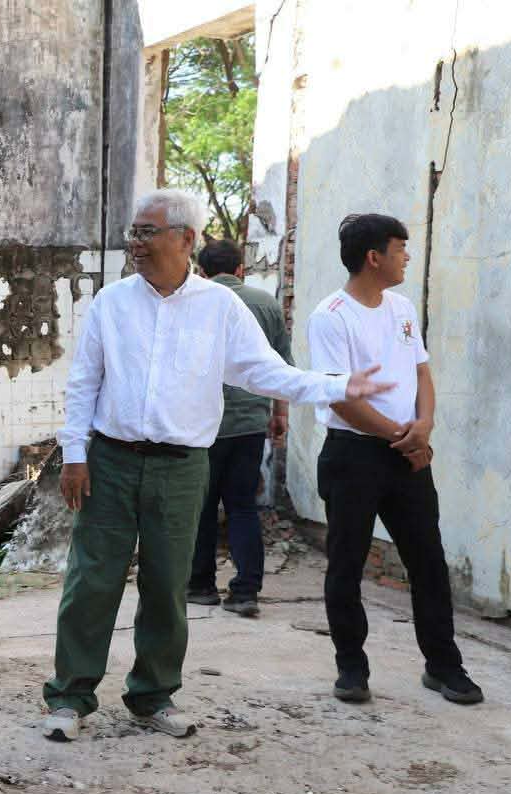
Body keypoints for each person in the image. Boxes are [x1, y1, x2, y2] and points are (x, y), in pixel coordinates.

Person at [40, 189, 394, 743]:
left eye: (147, 232)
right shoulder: (112, 303)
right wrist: (75, 455)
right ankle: (69, 697)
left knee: (168, 585)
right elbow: (84, 382)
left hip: (181, 467)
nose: (135, 243)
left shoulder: (220, 307)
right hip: (111, 461)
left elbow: (265, 372)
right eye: (133, 232)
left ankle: (152, 696)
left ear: (186, 239)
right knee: (91, 582)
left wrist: (337, 385)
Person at [307, 213, 483, 705]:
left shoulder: (401, 307)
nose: (407, 256)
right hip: (353, 455)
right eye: (400, 248)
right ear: (373, 257)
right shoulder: (331, 315)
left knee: (428, 562)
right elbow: (341, 398)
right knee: (346, 565)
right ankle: (351, 669)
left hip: (409, 455)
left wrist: (424, 425)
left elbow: (422, 372)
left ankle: (444, 667)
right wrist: (401, 435)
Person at [187, 239, 292, 616]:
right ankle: (246, 591)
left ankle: (200, 585)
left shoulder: (194, 302)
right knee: (242, 506)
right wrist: (280, 415)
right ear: (241, 269)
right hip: (250, 422)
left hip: (203, 425)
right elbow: (281, 366)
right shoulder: (266, 304)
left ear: (201, 271)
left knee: (202, 507)